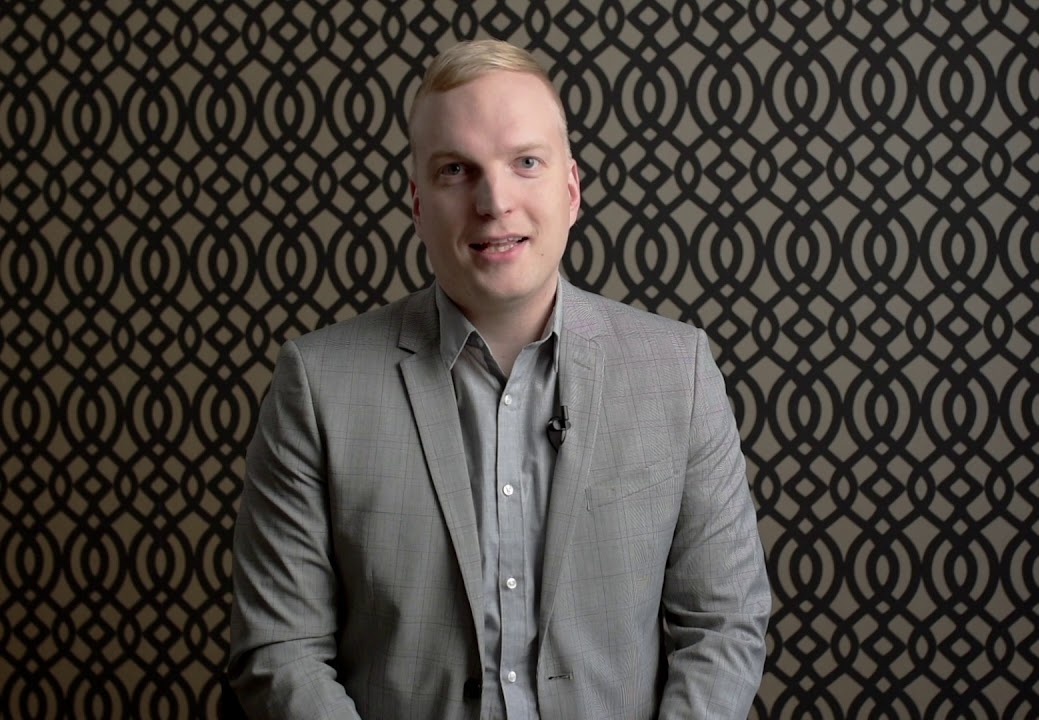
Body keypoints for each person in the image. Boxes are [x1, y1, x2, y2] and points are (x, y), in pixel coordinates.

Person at [227, 39, 771, 719]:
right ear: (418, 203)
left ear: (570, 190)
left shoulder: (678, 371)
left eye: (526, 163)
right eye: (456, 170)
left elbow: (723, 627)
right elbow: (281, 650)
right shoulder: (317, 384)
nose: (494, 201)